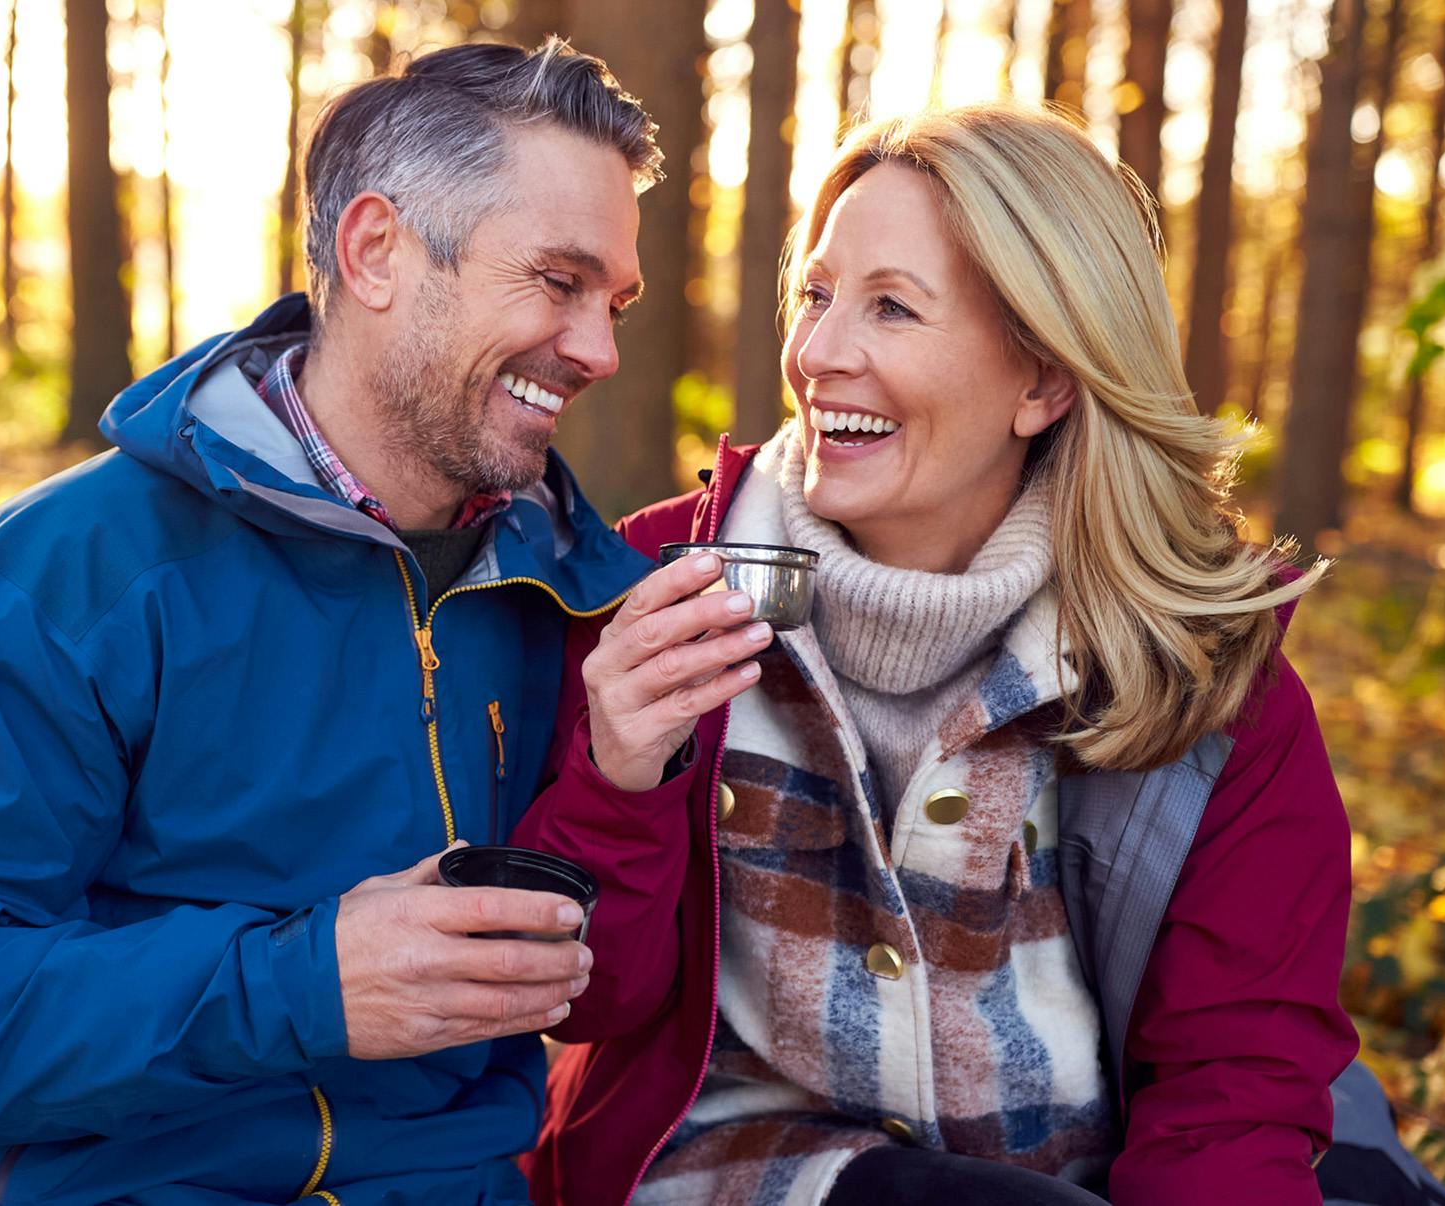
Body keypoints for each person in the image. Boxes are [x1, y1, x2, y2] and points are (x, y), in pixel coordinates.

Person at [0, 40, 663, 1205]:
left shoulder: (567, 586)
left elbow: (601, 986)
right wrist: (302, 984)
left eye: (613, 302)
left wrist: (629, 780)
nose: (600, 350)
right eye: (557, 283)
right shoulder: (58, 578)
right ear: (376, 252)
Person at [513, 105, 1363, 1205]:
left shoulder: (1199, 671)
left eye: (893, 309)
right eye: (816, 296)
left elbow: (1232, 1086)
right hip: (731, 1175)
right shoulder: (654, 589)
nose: (818, 354)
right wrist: (618, 776)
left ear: (1044, 383)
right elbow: (585, 1004)